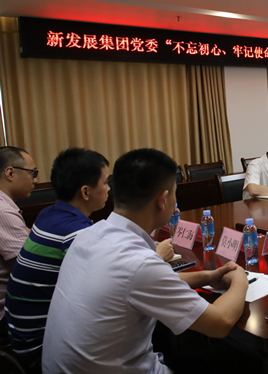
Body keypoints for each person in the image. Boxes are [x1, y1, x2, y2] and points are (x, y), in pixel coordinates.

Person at [43, 148, 248, 374]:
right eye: (175, 194)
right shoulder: (138, 262)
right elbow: (220, 323)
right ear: (162, 200)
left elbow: (137, 282)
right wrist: (240, 278)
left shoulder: (89, 235)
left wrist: (208, 276)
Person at [5, 148, 173, 373]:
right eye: (105, 183)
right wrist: (156, 256)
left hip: (22, 333)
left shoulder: (48, 214)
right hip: (42, 346)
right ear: (85, 192)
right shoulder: (77, 234)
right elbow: (124, 275)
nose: (109, 189)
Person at [0, 146, 37, 344]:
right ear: (10, 173)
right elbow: (28, 268)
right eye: (33, 173)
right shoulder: (3, 212)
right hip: (6, 315)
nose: (35, 180)